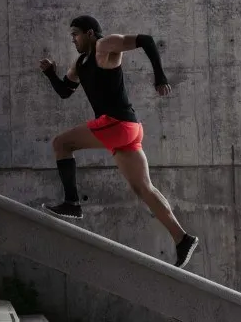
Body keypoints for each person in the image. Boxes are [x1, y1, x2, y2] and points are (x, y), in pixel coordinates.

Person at [38, 15, 198, 268]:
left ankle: (72, 203)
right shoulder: (80, 63)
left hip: (116, 123)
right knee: (144, 189)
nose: (73, 40)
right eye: (71, 36)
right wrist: (50, 74)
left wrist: (160, 76)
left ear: (90, 33)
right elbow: (65, 92)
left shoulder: (104, 46)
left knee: (61, 144)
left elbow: (145, 40)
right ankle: (182, 238)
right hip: (127, 131)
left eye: (76, 34)